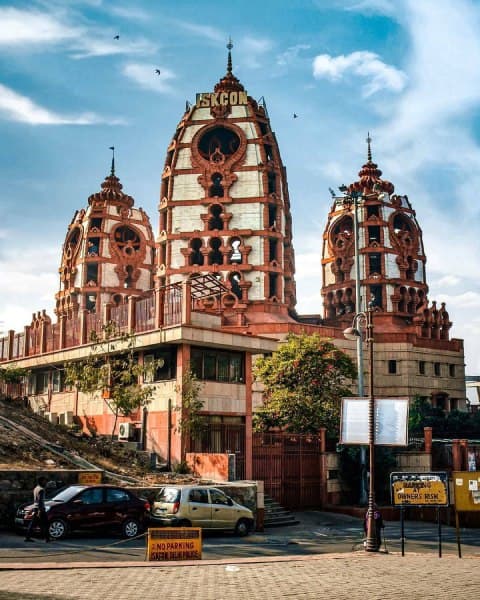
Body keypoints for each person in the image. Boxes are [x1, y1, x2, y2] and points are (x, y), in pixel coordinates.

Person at [24, 476, 51, 543]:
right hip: (40, 509)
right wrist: (40, 510)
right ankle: (47, 539)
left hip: (36, 508)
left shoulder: (36, 488)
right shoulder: (41, 489)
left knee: (33, 524)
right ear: (41, 481)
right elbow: (40, 501)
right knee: (46, 524)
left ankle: (27, 538)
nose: (46, 482)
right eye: (45, 481)